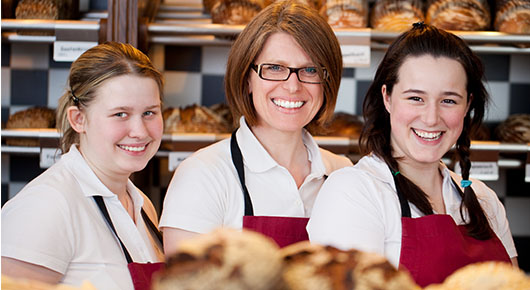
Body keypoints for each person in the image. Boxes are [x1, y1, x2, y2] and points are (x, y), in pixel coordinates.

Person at [307, 23, 518, 287]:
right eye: (416, 98)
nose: (431, 118)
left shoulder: (484, 200)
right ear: (387, 97)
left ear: (467, 105)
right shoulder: (354, 191)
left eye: (449, 100)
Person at [160, 0, 352, 256]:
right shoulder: (203, 175)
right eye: (274, 68)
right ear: (247, 78)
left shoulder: (342, 175)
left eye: (310, 69)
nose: (293, 86)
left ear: (327, 82)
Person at [1, 42, 165, 290]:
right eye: (120, 114)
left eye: (150, 112)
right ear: (79, 119)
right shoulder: (46, 205)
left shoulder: (143, 206)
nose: (140, 131)